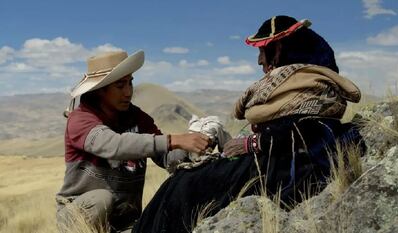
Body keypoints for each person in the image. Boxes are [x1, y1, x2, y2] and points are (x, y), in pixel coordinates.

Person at [132, 15, 366, 233]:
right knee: (181, 182)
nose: (259, 60)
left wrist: (252, 144)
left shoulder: (310, 87)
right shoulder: (302, 84)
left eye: (265, 50)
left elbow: (305, 135)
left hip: (286, 170)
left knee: (185, 185)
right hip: (274, 161)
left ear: (281, 50)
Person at [55, 50, 210, 232]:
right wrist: (173, 140)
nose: (128, 92)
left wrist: (196, 143)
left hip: (127, 222)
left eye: (130, 83)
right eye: (120, 86)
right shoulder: (80, 119)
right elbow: (113, 145)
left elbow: (166, 158)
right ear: (100, 91)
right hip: (79, 218)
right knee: (101, 200)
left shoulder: (137, 118)